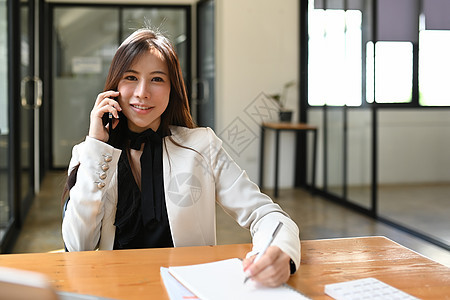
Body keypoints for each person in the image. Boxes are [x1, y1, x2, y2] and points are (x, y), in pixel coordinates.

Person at [62, 28, 300, 287]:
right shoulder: (91, 154)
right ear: (114, 85)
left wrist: (278, 251)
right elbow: (77, 247)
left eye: (157, 79)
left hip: (189, 289)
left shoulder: (201, 145)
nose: (142, 92)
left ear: (172, 89)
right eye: (131, 77)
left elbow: (264, 213)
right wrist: (97, 145)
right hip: (116, 287)